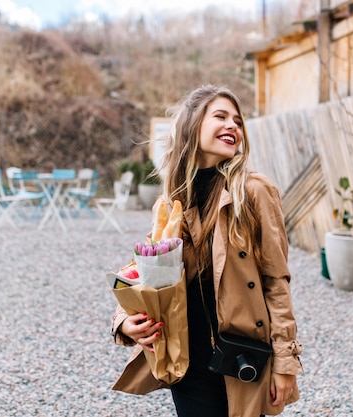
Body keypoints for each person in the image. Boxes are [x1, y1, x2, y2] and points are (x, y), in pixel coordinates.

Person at [111, 84, 303, 417]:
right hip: (186, 361)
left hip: (242, 359)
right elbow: (141, 273)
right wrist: (124, 322)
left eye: (238, 121)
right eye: (221, 116)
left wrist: (286, 363)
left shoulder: (254, 191)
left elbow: (276, 282)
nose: (233, 126)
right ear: (193, 125)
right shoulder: (171, 201)